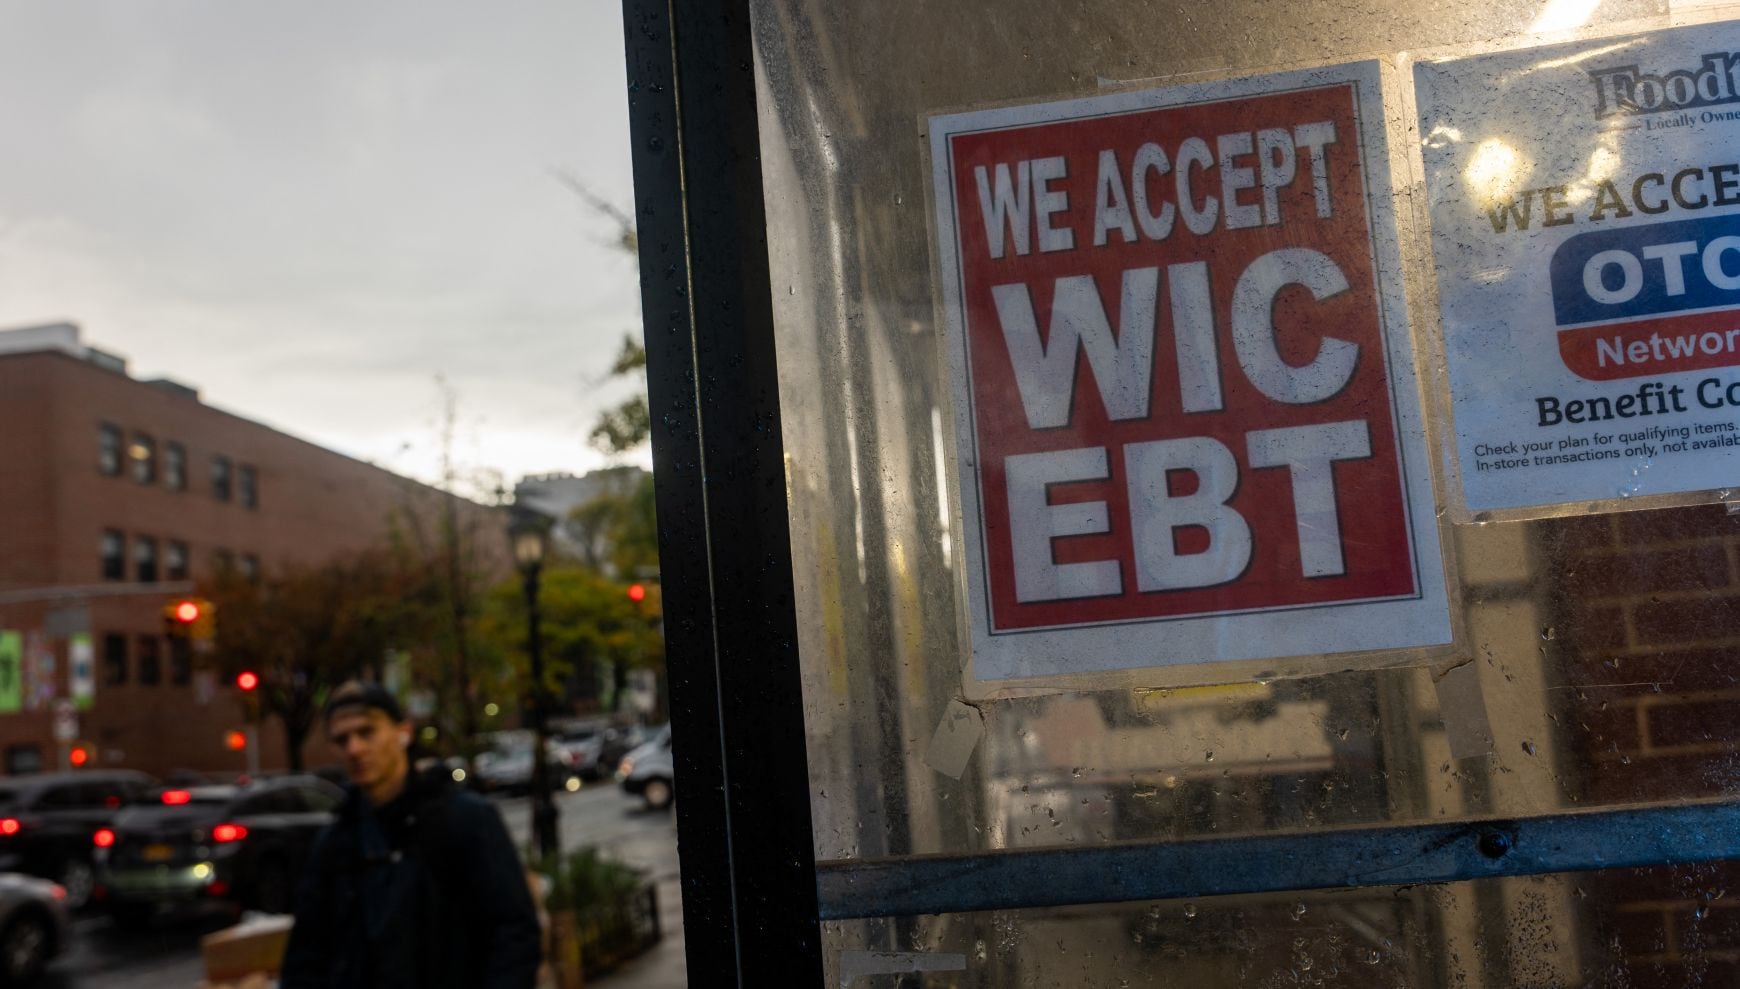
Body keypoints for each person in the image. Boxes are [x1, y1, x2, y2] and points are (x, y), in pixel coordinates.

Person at [280, 681, 542, 988]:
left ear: (403, 732)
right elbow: (305, 955)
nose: (354, 748)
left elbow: (514, 932)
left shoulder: (464, 820)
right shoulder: (336, 844)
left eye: (367, 732)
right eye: (342, 739)